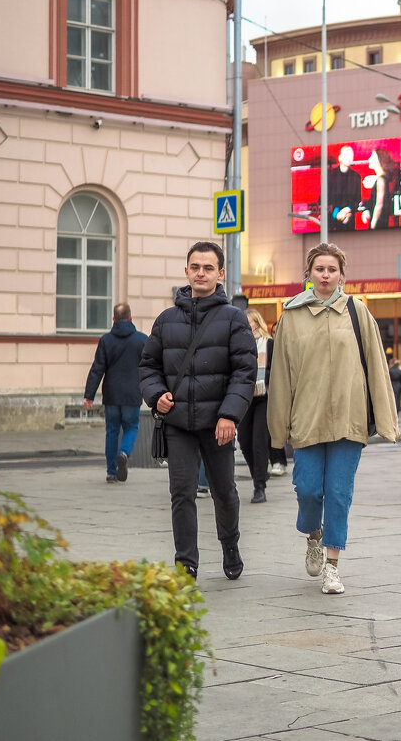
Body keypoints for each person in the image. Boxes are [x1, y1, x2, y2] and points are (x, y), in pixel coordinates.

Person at [267, 242, 400, 595]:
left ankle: (333, 566)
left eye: (332, 270)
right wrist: (278, 430)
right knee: (308, 490)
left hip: (349, 419)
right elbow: (280, 375)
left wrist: (387, 421)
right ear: (309, 274)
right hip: (306, 420)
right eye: (319, 269)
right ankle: (313, 534)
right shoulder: (291, 316)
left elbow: (376, 368)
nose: (326, 275)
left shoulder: (357, 311)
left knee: (339, 494)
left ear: (341, 275)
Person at [139, 241, 256, 581]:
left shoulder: (234, 319)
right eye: (195, 267)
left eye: (208, 268)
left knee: (224, 491)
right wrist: (156, 394)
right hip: (179, 423)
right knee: (181, 493)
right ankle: (185, 562)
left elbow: (244, 373)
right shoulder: (166, 319)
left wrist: (229, 415)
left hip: (217, 422)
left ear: (220, 273)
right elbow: (148, 366)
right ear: (186, 271)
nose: (201, 273)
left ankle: (230, 545)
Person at [83, 303, 149, 484]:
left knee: (111, 431)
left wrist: (89, 395)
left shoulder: (106, 340)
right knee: (131, 427)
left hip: (111, 394)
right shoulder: (142, 340)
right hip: (132, 394)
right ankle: (124, 453)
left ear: (113, 319)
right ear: (130, 318)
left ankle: (111, 472)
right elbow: (150, 367)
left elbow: (97, 369)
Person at [238, 308, 275, 504]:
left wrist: (263, 380)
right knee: (244, 441)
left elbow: (277, 370)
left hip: (264, 396)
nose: (246, 323)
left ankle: (259, 486)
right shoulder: (239, 344)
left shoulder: (269, 344)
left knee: (259, 442)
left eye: (249, 321)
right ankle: (259, 474)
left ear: (257, 323)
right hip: (245, 397)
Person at [359, 147, 399, 230]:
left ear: (378, 160)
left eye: (372, 157)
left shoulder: (381, 180)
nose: (369, 159)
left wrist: (373, 224)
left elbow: (379, 205)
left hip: (379, 222)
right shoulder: (382, 179)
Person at [327, 145, 362, 231]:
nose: (349, 157)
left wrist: (348, 210)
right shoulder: (330, 176)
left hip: (349, 220)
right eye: (346, 155)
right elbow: (324, 200)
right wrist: (337, 214)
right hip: (333, 223)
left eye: (351, 155)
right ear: (340, 158)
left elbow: (357, 199)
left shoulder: (356, 177)